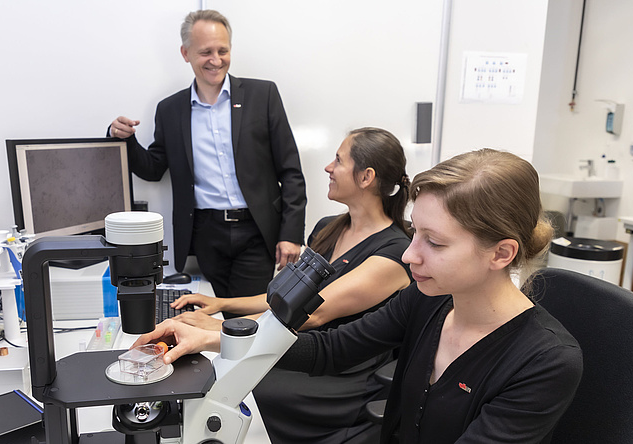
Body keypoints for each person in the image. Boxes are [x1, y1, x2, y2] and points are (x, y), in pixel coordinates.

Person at [134, 149, 585, 443]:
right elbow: (333, 349)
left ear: (501, 253)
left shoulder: (544, 360)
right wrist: (216, 338)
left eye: (435, 242)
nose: (410, 254)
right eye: (415, 233)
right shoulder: (429, 300)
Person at [171, 127, 413, 443]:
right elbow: (283, 299)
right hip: (295, 347)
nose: (328, 168)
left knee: (241, 386)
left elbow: (310, 314)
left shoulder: (393, 254)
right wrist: (222, 306)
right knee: (223, 374)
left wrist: (217, 332)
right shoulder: (329, 228)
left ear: (366, 177)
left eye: (338, 161)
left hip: (339, 372)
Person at [108, 10, 306, 305]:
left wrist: (291, 234)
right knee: (211, 313)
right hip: (205, 233)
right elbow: (152, 168)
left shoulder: (262, 95)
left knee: (244, 320)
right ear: (185, 53)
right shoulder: (170, 109)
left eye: (222, 50)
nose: (216, 60)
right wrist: (124, 139)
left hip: (256, 230)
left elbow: (290, 171)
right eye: (205, 52)